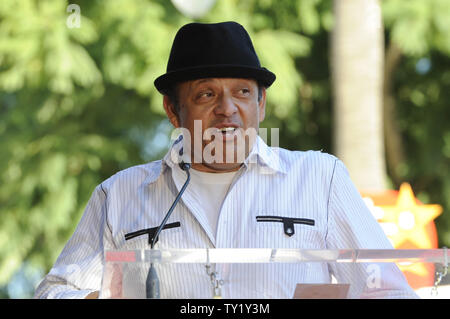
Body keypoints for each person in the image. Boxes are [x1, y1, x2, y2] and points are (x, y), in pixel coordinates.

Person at [34, 21, 418, 299]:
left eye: (242, 92)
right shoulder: (118, 194)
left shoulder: (321, 178)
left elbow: (389, 291)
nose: (227, 109)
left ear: (261, 104)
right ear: (172, 109)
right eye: (206, 95)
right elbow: (53, 292)